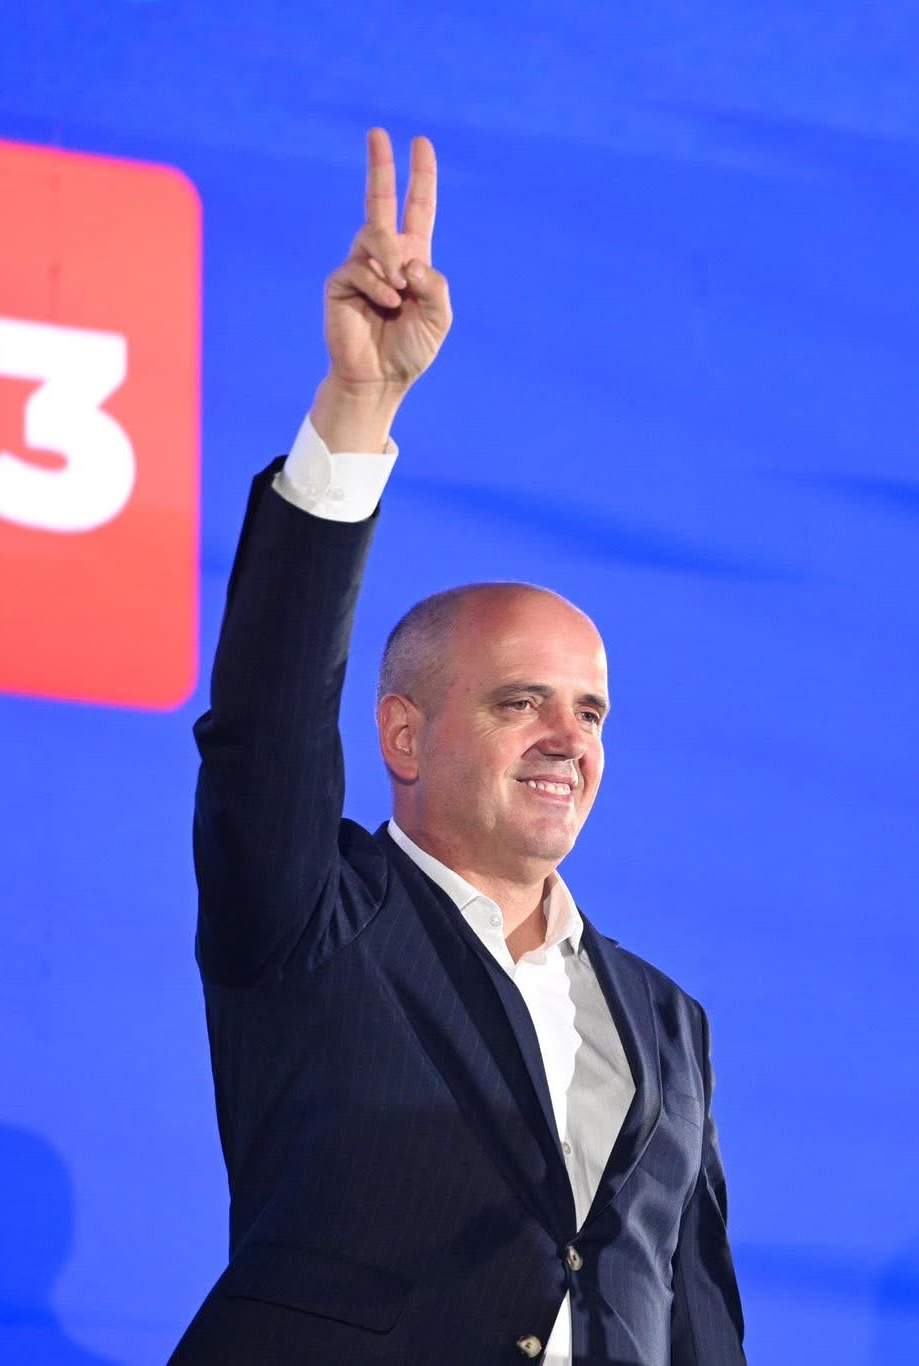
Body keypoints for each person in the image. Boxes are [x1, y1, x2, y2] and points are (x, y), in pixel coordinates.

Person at [176, 129, 746, 1365]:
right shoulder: (314, 917)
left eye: (590, 712)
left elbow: (692, 1315)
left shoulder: (666, 1017)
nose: (567, 739)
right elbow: (268, 722)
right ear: (403, 732)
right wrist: (358, 407)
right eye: (518, 702)